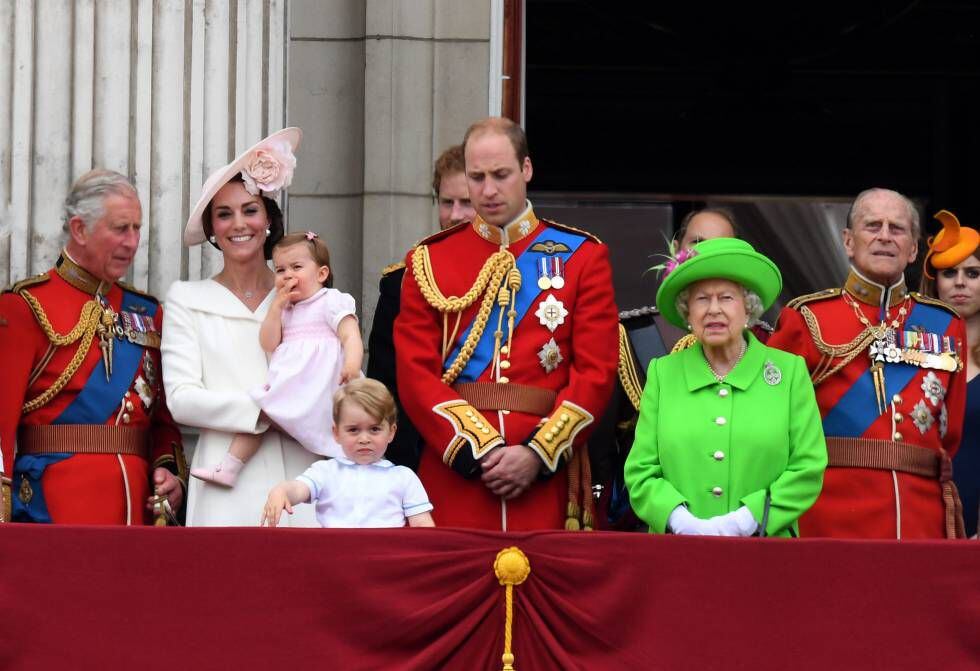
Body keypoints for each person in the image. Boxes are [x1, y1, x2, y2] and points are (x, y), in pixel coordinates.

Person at [395, 117, 619, 530]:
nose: (489, 190)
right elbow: (413, 374)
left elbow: (596, 373)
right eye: (477, 177)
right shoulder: (429, 260)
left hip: (544, 476)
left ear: (527, 170)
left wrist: (537, 453)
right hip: (456, 474)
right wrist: (475, 449)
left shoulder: (583, 257)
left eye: (501, 175)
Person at [769, 188, 967, 538]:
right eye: (872, 225)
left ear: (913, 248)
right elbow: (772, 426)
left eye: (897, 228)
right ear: (848, 241)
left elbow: (949, 435)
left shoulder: (946, 324)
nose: (885, 236)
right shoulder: (807, 318)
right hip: (828, 517)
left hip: (919, 517)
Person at [0, 169, 185, 524]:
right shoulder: (24, 306)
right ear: (80, 229)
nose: (132, 243)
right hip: (52, 508)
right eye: (120, 229)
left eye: (137, 229)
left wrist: (169, 473)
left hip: (136, 509)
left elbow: (165, 418)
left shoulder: (147, 312)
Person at [162, 127, 321, 527]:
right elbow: (181, 398)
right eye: (224, 213)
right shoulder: (187, 298)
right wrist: (264, 411)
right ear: (213, 229)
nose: (239, 223)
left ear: (269, 219)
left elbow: (339, 379)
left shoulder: (307, 293)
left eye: (250, 210)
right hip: (223, 482)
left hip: (303, 476)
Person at [624, 238, 826, 536]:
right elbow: (640, 471)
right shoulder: (663, 374)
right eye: (702, 299)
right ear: (688, 313)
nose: (714, 310)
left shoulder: (789, 373)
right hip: (678, 555)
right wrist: (680, 521)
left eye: (727, 298)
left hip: (765, 553)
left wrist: (746, 520)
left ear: (748, 309)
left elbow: (807, 468)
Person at [190, 231, 362, 486]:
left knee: (334, 433)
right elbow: (268, 342)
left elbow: (350, 336)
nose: (287, 275)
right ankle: (229, 466)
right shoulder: (286, 309)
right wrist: (276, 308)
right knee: (260, 413)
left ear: (321, 274)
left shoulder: (331, 301)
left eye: (297, 267)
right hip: (293, 386)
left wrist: (351, 365)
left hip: (323, 385)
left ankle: (344, 483)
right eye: (280, 270)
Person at [366, 145, 476, 470]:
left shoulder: (516, 277)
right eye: (446, 202)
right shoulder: (401, 282)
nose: (455, 214)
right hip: (420, 462)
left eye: (467, 203)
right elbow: (385, 388)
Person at [260, 377, 434, 528]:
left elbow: (423, 526)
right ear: (336, 433)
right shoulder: (325, 471)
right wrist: (282, 490)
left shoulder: (404, 477)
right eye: (353, 430)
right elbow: (299, 490)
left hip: (385, 560)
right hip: (336, 559)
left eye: (374, 429)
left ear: (391, 432)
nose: (364, 438)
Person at [920, 209, 980, 537]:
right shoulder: (907, 349)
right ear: (933, 280)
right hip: (919, 514)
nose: (960, 282)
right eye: (949, 272)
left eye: (973, 273)